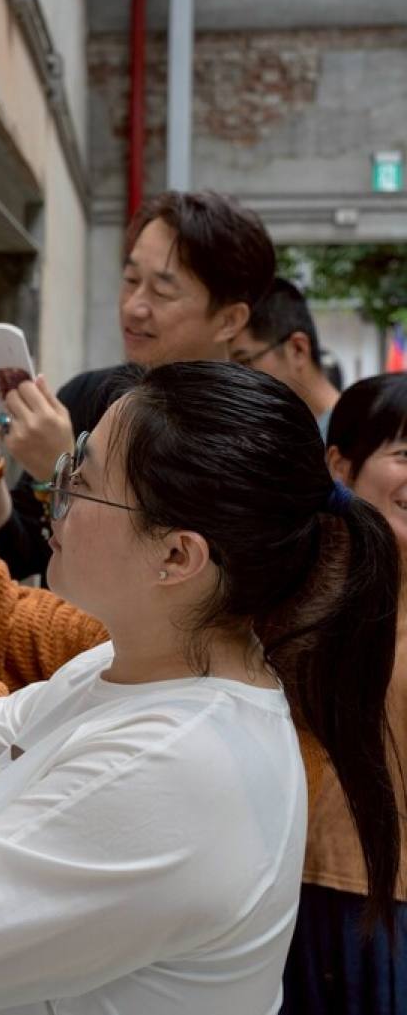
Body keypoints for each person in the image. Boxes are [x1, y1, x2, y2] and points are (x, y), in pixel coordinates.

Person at [0, 362, 401, 1015]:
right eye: (72, 457)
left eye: (83, 476)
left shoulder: (184, 769)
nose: (59, 491)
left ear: (178, 556)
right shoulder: (138, 664)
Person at [0, 190, 276, 581]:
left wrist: (63, 473)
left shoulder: (251, 439)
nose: (134, 306)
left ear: (229, 320)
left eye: (162, 291)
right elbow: (17, 555)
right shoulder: (90, 396)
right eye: (131, 279)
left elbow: (171, 590)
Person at [281, 372, 407, 1015]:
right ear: (340, 463)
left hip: (391, 906)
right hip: (281, 887)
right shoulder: (292, 589)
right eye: (405, 455)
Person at [230, 277, 340, 440]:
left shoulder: (356, 438)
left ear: (298, 349)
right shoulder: (291, 434)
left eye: (244, 362)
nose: (235, 379)